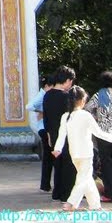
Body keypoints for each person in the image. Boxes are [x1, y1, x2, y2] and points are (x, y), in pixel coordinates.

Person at [52, 85, 112, 212]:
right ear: (82, 100)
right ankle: (70, 203)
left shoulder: (66, 116)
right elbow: (98, 133)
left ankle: (95, 206)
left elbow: (61, 135)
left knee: (87, 178)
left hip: (74, 153)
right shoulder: (85, 115)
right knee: (83, 179)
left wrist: (57, 149)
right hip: (85, 153)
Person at [85, 71, 112, 202]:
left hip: (103, 134)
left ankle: (111, 194)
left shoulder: (98, 96)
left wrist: (97, 118)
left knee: (106, 165)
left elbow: (86, 109)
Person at [43, 65, 77, 202]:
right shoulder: (66, 97)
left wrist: (50, 136)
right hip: (66, 134)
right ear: (67, 80)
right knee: (68, 165)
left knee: (58, 164)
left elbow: (46, 118)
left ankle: (56, 193)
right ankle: (66, 194)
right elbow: (71, 118)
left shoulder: (47, 95)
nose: (71, 84)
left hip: (54, 134)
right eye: (71, 81)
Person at [28, 75, 55, 192]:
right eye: (52, 86)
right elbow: (29, 106)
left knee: (48, 157)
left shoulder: (46, 95)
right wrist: (43, 111)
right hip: (44, 128)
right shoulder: (42, 95)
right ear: (46, 86)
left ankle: (45, 185)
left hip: (44, 127)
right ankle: (45, 185)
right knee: (49, 157)